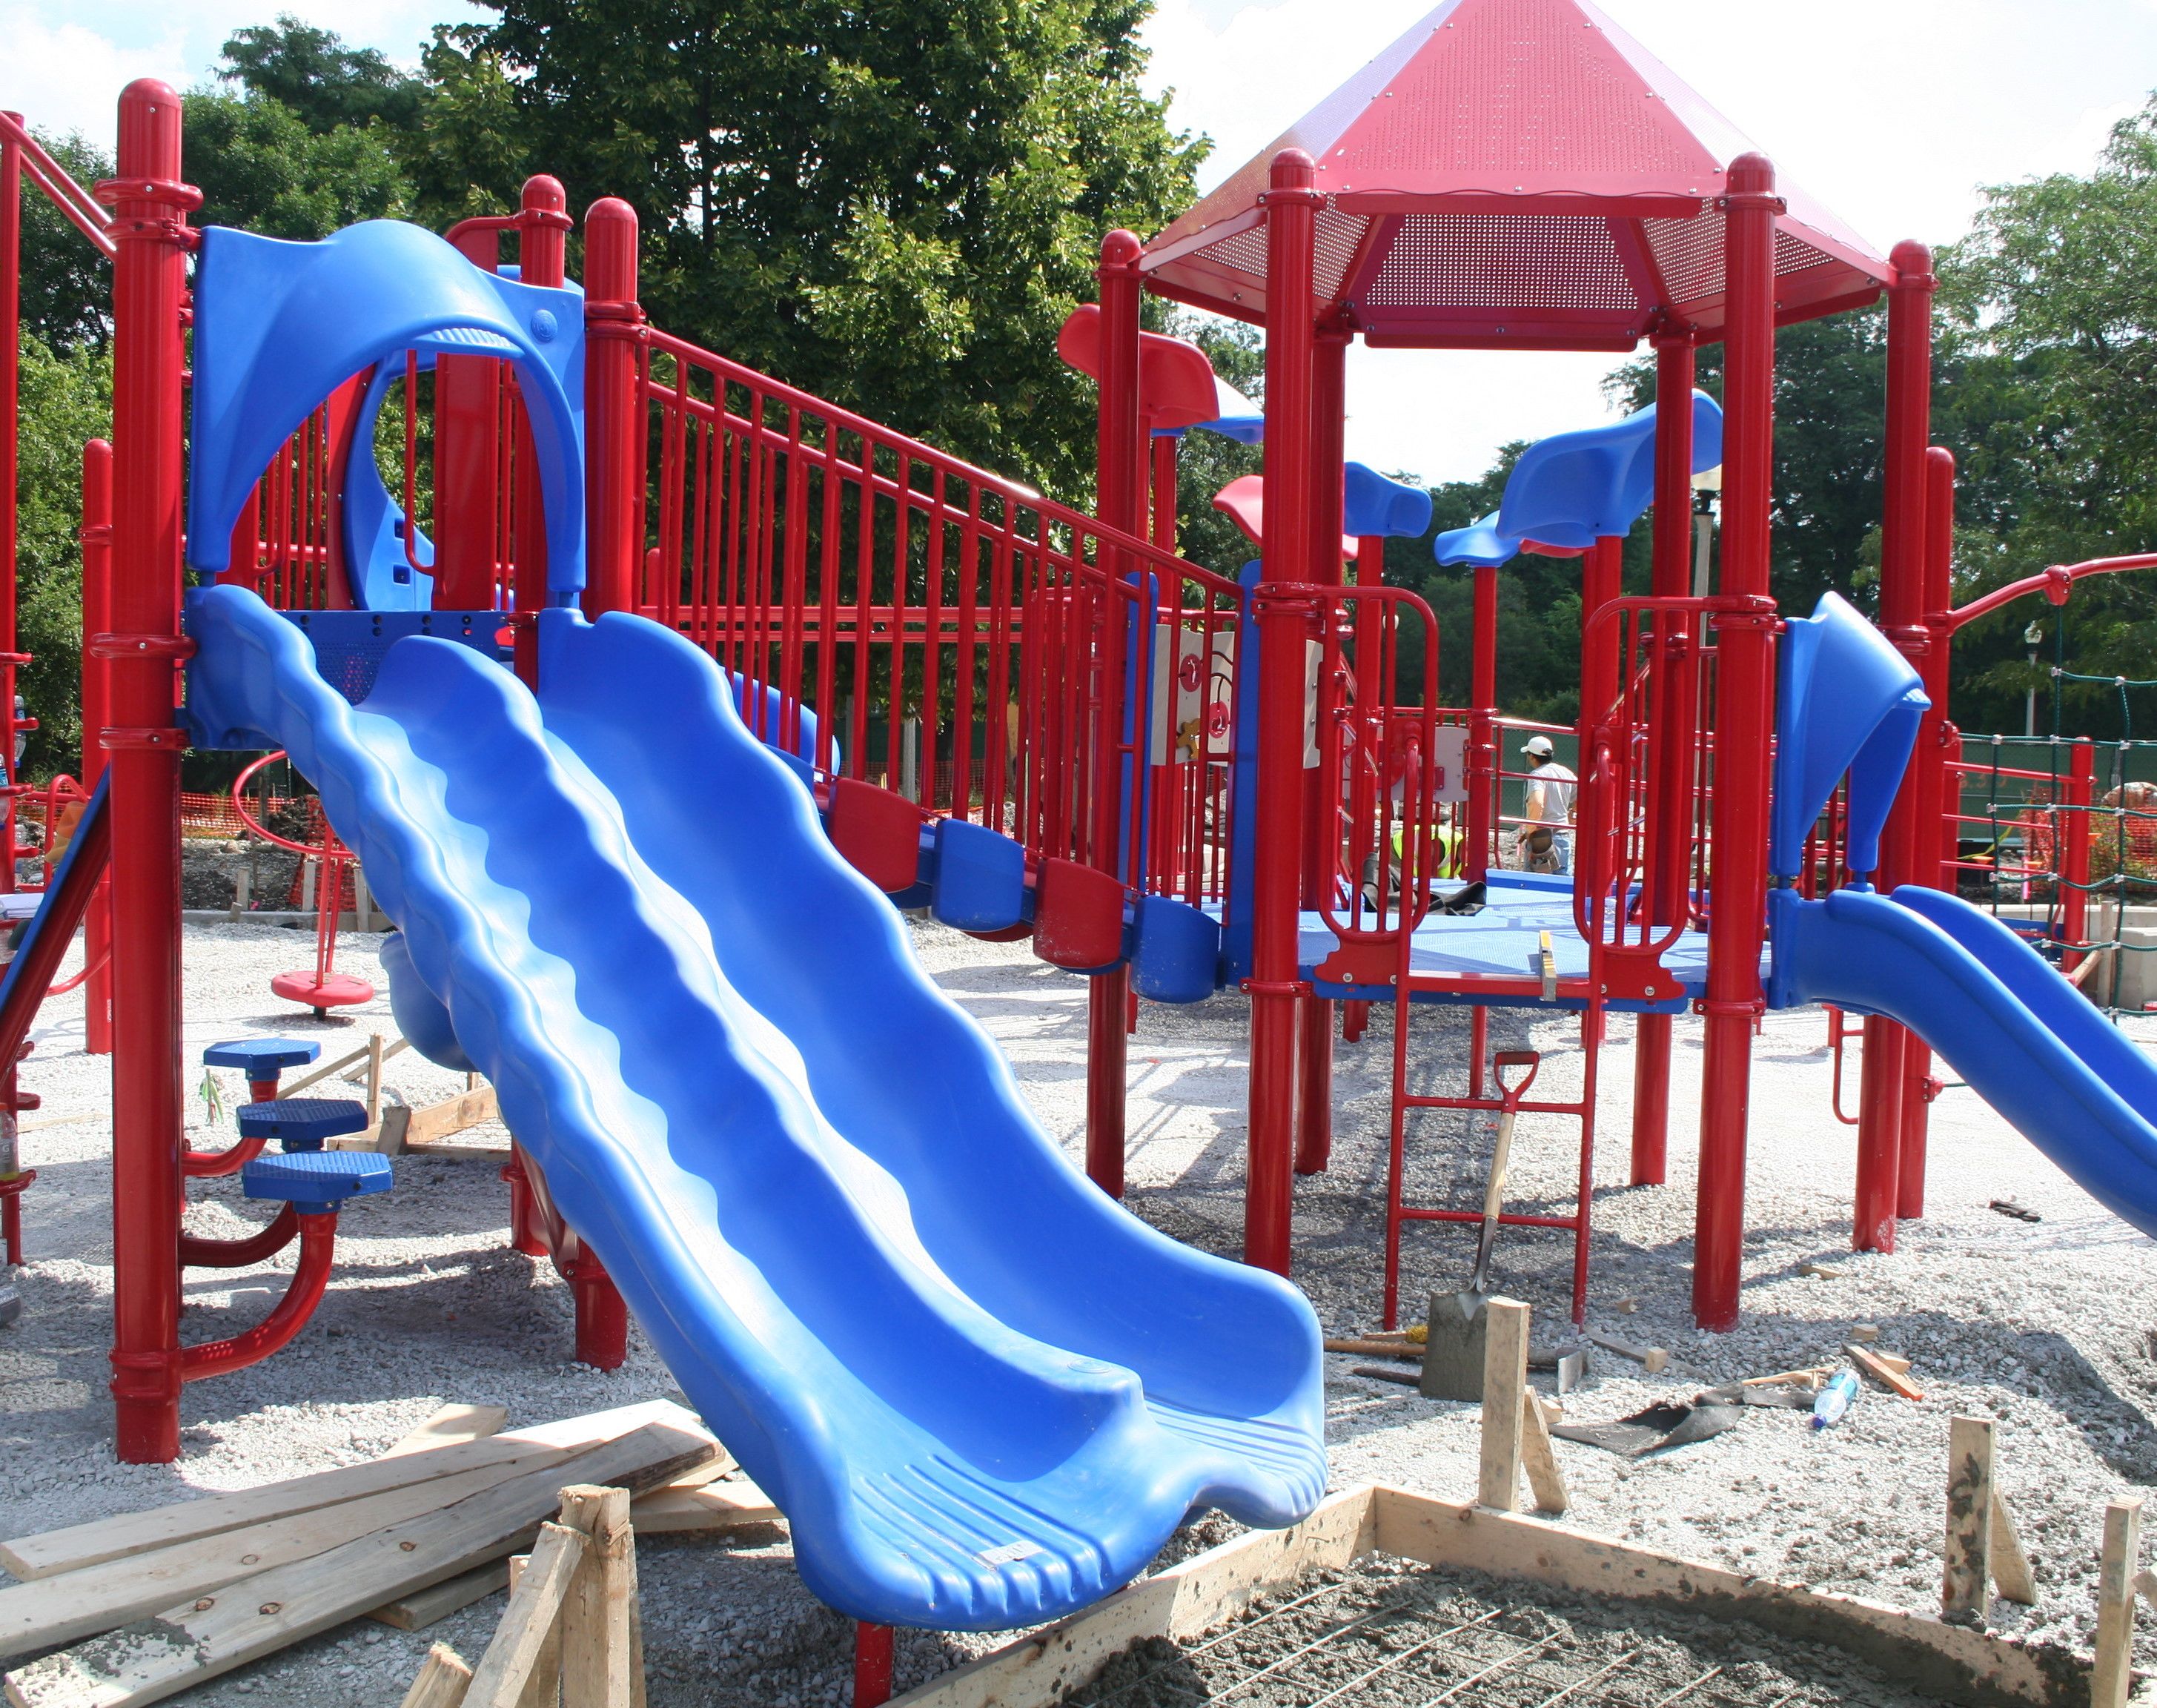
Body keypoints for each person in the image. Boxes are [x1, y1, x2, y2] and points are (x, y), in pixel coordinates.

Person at [1515, 734, 1576, 873]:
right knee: (1562, 885)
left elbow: (1537, 803)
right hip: (1562, 834)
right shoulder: (1566, 772)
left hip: (1541, 838)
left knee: (1533, 885)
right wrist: (1573, 813)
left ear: (1531, 756)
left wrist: (1530, 830)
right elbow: (1581, 795)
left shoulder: (1537, 775)